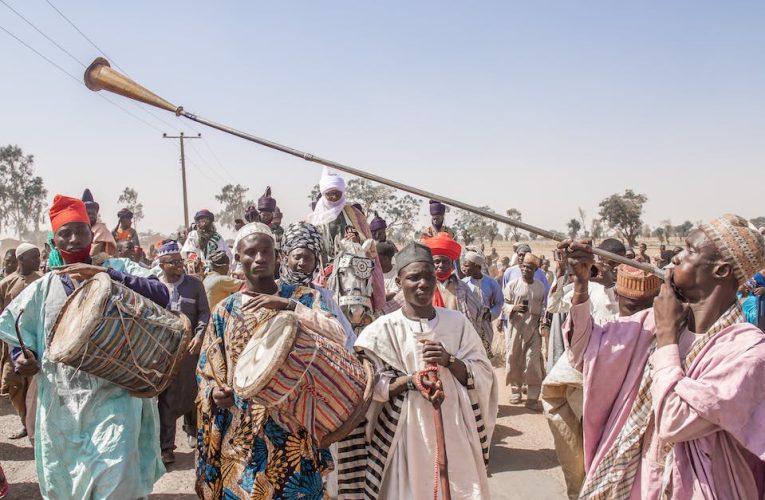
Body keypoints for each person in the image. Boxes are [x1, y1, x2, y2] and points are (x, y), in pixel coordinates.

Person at [561, 214, 765, 498]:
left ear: (721, 271)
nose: (677, 258)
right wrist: (581, 284)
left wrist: (667, 336)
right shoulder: (655, 323)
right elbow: (582, 352)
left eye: (691, 251)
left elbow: (673, 420)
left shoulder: (747, 351)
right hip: (634, 478)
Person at [0, 194, 169, 498]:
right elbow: (17, 332)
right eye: (66, 233)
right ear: (54, 241)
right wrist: (22, 356)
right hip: (63, 408)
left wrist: (108, 275)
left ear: (92, 235)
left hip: (116, 398)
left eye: (81, 231)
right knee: (68, 485)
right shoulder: (43, 288)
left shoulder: (118, 268)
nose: (75, 239)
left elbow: (162, 294)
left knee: (116, 483)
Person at [195, 222, 347, 498]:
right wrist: (214, 393)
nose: (259, 258)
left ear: (277, 255)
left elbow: (338, 335)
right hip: (241, 438)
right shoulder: (224, 312)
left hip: (293, 430)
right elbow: (206, 370)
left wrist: (289, 307)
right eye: (250, 253)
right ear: (238, 259)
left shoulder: (303, 297)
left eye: (266, 251)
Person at [336, 242, 498, 499]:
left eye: (428, 277)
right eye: (413, 277)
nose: (422, 283)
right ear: (399, 281)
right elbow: (366, 386)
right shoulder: (381, 331)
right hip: (405, 435)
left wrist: (450, 360)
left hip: (454, 428)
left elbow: (483, 374)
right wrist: (409, 381)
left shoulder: (457, 323)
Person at [541, 262, 661, 499]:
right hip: (645, 444)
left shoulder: (606, 334)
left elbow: (577, 343)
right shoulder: (669, 330)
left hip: (601, 433)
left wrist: (580, 282)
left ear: (616, 293)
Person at [156, 240, 210, 465]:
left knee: (193, 392)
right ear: (162, 265)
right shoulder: (154, 286)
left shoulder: (194, 284)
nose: (180, 265)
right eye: (174, 262)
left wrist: (199, 336)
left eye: (181, 261)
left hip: (190, 350)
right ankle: (166, 447)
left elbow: (204, 312)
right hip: (163, 352)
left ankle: (195, 434)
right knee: (167, 398)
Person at [308, 166, 385, 310]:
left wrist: (357, 241)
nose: (333, 197)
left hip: (353, 266)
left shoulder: (354, 214)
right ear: (324, 193)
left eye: (337, 193)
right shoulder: (314, 218)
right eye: (330, 194)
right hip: (323, 270)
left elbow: (369, 244)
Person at [279, 221, 356, 349]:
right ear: (286, 258)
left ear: (316, 262)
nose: (302, 263)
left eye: (308, 258)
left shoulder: (323, 296)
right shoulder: (274, 290)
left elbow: (347, 338)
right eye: (297, 257)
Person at [0, 243, 41, 440]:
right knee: (13, 383)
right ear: (21, 259)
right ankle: (25, 422)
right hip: (11, 343)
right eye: (34, 257)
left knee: (35, 385)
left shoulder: (43, 281)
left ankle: (35, 425)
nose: (39, 261)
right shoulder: (6, 284)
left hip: (36, 342)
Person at [502, 253, 546, 410]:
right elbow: (504, 304)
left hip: (533, 328)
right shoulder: (513, 285)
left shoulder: (540, 287)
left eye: (529, 267)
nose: (526, 269)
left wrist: (542, 323)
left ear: (535, 270)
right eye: (524, 267)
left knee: (532, 362)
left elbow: (543, 307)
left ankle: (533, 396)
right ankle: (516, 391)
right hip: (516, 328)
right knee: (514, 359)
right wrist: (513, 308)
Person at [461, 249, 503, 357]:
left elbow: (499, 302)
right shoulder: (463, 284)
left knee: (485, 356)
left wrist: (491, 314)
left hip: (485, 325)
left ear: (476, 266)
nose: (463, 268)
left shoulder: (491, 283)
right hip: (468, 326)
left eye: (466, 265)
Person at [82, 189, 117, 256]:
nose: (91, 216)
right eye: (88, 213)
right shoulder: (79, 228)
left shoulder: (100, 229)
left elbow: (94, 252)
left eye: (93, 214)